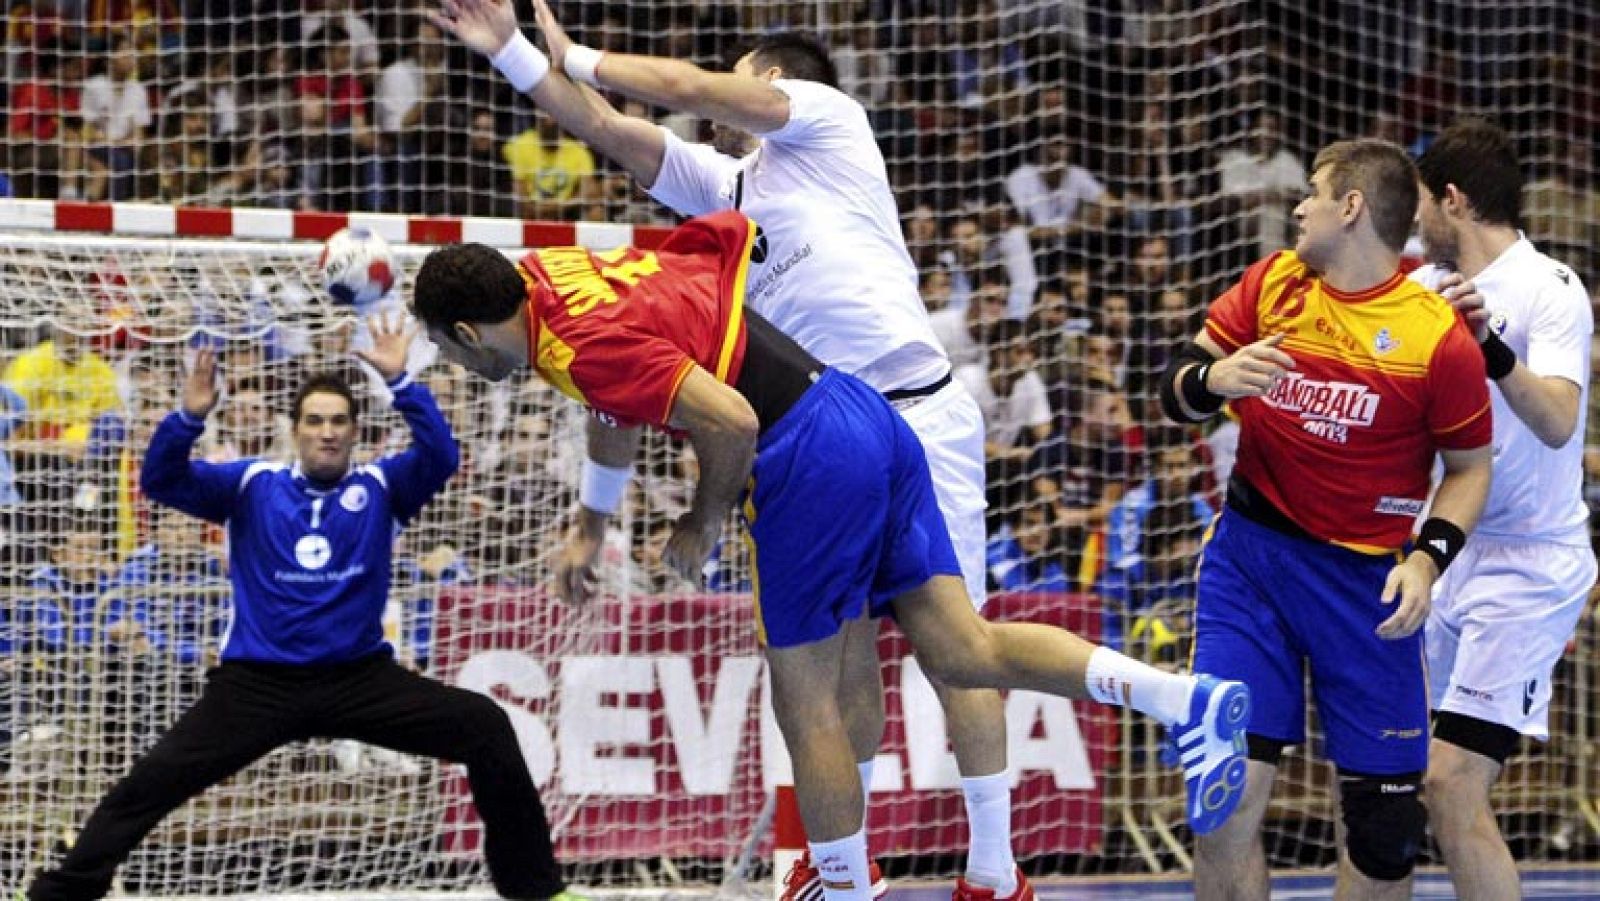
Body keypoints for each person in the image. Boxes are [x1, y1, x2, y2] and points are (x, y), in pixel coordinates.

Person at [410, 208, 1252, 901]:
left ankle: (845, 885)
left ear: (466, 332)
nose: (453, 363)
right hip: (865, 414)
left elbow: (730, 420)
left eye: (447, 351)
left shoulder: (581, 346)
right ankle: (1184, 698)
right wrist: (593, 523)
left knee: (803, 697)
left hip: (799, 454)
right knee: (963, 648)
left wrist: (703, 518)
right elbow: (629, 382)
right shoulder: (553, 276)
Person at [426, 2, 1031, 897]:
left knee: (958, 649)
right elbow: (606, 129)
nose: (716, 110)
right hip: (831, 436)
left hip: (916, 411)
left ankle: (995, 869)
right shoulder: (725, 187)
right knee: (842, 661)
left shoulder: (829, 126)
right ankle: (843, 863)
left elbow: (683, 86)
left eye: (738, 80)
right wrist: (510, 52)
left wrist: (579, 54)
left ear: (774, 82)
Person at [25, 317, 577, 901]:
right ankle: (59, 895)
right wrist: (188, 417)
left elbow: (441, 456)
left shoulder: (382, 486)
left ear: (355, 432)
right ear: (294, 431)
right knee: (148, 784)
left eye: (338, 421)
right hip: (258, 685)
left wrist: (400, 383)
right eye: (314, 421)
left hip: (359, 680)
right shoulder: (252, 483)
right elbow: (160, 481)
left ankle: (535, 891)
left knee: (487, 727)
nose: (327, 432)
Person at [1158, 139, 1495, 901]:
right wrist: (1213, 379)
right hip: (1252, 566)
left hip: (1368, 587)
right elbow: (1172, 386)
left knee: (1385, 835)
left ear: (1350, 206)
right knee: (1225, 799)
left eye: (1312, 190)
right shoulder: (1273, 282)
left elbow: (1471, 469)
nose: (1298, 206)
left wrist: (1427, 559)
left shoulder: (1436, 335)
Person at [1411, 119, 1596, 901]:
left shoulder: (1551, 286)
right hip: (1440, 556)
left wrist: (1488, 343)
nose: (1415, 217)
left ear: (1451, 200)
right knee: (1404, 781)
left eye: (1422, 201)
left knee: (1452, 782)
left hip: (1527, 566)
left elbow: (1557, 420)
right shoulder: (1421, 285)